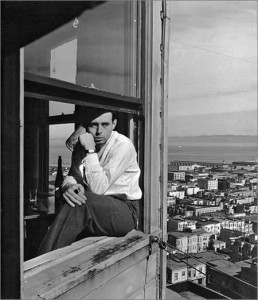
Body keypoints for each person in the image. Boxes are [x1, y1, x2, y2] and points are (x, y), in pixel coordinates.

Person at [38, 107, 142, 254]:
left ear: (114, 124)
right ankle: (49, 258)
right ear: (87, 126)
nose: (99, 131)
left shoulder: (123, 146)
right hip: (97, 207)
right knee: (74, 199)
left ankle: (43, 260)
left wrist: (90, 151)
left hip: (125, 211)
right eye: (94, 125)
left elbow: (99, 188)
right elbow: (73, 175)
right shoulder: (82, 145)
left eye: (105, 125)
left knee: (80, 203)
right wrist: (69, 186)